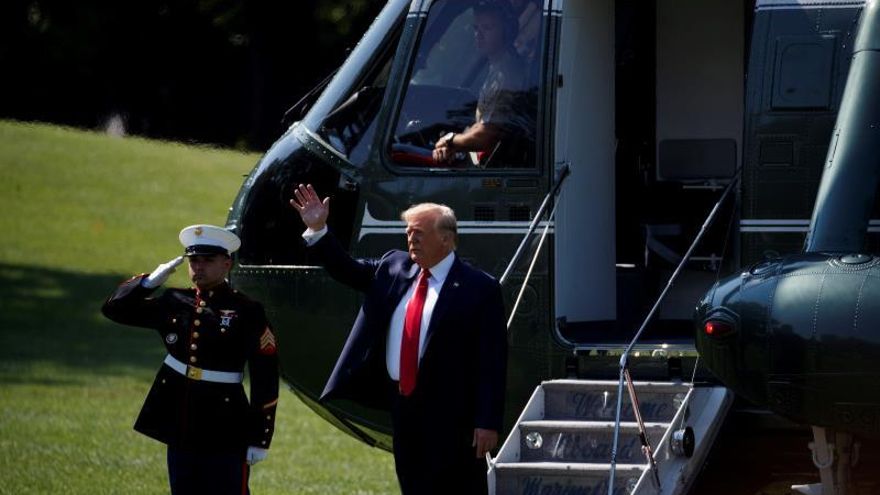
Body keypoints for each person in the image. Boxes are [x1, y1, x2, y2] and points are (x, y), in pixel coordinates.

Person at [290, 184, 507, 495]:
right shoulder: (394, 267)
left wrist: (487, 421)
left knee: (459, 487)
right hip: (404, 406)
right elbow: (346, 270)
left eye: (419, 232)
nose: (411, 238)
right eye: (408, 232)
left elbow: (492, 361)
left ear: (445, 238)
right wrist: (319, 229)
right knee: (413, 484)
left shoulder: (479, 288)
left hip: (453, 413)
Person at [101, 225, 279, 495]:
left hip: (226, 424)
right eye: (194, 261)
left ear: (226, 264)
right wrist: (148, 283)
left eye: (208, 261)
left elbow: (265, 376)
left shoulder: (247, 310)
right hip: (180, 418)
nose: (199, 267)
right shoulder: (175, 300)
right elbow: (115, 310)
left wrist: (260, 438)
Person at [433, 0, 529, 167]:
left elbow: (486, 135)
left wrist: (450, 140)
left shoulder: (506, 74)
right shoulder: (498, 66)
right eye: (476, 28)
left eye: (487, 28)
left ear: (506, 31)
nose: (478, 34)